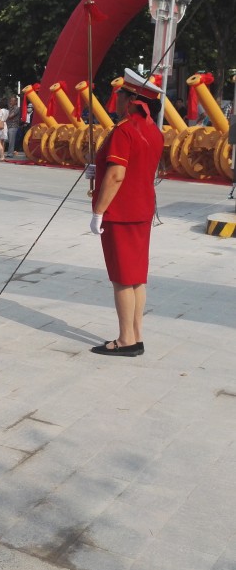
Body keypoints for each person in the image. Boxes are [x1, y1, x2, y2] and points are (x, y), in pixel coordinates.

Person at [88, 68, 165, 357]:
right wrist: (99, 168)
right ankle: (136, 335)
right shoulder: (153, 132)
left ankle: (125, 341)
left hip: (120, 213)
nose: (117, 98)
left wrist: (99, 211)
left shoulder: (123, 130)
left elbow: (118, 175)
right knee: (136, 278)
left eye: (121, 94)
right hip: (143, 210)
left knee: (121, 278)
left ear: (132, 99)